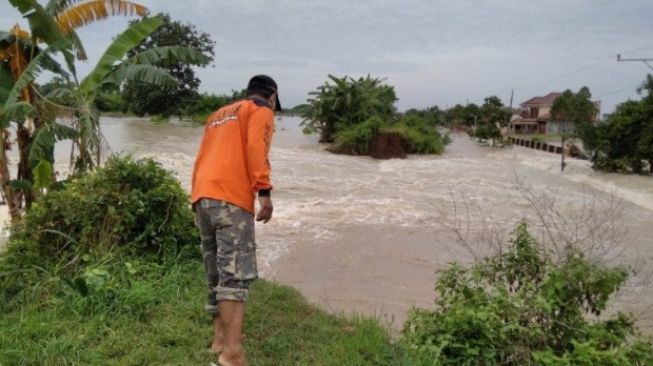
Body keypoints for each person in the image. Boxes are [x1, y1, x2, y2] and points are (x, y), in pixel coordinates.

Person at [191, 75, 280, 366]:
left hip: (203, 194)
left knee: (216, 271)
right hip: (231, 198)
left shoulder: (219, 114)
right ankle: (232, 355)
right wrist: (263, 191)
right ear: (272, 96)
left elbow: (201, 156)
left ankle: (219, 339)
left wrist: (196, 202)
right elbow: (257, 149)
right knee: (234, 276)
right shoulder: (261, 110)